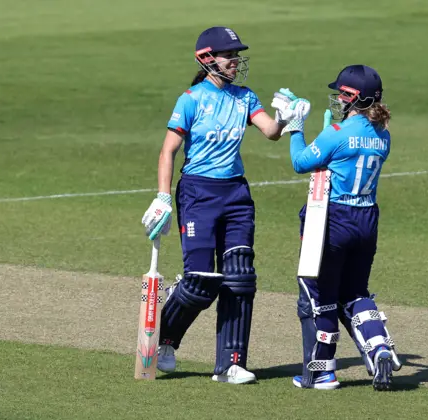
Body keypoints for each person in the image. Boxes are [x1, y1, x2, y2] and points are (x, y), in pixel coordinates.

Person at [141, 26, 309, 384]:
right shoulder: (191, 99)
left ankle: (230, 364)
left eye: (237, 55)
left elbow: (270, 132)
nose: (235, 61)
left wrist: (287, 116)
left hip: (235, 195)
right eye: (228, 54)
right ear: (206, 59)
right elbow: (168, 150)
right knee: (200, 281)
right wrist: (162, 197)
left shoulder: (244, 97)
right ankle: (165, 339)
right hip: (198, 194)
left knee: (240, 279)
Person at [275, 65, 402, 390]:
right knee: (356, 292)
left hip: (333, 219)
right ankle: (379, 348)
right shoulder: (383, 135)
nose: (338, 98)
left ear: (357, 98)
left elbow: (301, 162)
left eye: (344, 94)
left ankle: (322, 372)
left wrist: (295, 127)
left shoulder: (338, 133)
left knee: (322, 294)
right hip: (367, 220)